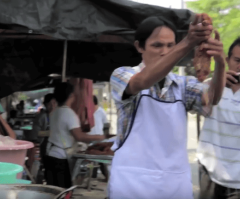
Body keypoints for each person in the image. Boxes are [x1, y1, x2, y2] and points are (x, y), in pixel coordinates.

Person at [108, 14, 226, 199]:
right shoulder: (122, 75)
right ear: (139, 46)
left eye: (170, 45)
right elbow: (142, 81)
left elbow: (212, 99)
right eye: (157, 45)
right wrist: (187, 42)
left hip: (175, 184)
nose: (165, 51)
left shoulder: (183, 85)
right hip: (132, 183)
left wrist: (220, 63)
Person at [197, 37, 240, 199]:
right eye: (237, 60)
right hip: (210, 173)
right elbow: (196, 106)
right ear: (227, 60)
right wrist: (218, 81)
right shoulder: (210, 85)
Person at [45, 82, 105, 188]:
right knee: (63, 190)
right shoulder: (69, 113)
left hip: (50, 153)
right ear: (71, 95)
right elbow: (79, 136)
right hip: (60, 156)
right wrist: (101, 137)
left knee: (53, 189)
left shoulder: (54, 112)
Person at [88, 95, 109, 181]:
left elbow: (106, 125)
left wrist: (105, 138)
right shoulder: (87, 112)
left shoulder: (101, 112)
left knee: (102, 160)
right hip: (89, 139)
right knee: (91, 160)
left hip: (100, 140)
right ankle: (92, 176)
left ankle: (107, 177)